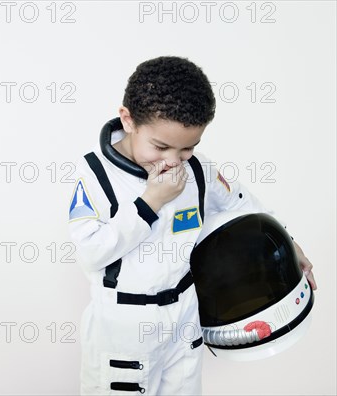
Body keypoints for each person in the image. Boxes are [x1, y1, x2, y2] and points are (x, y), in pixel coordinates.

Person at [67, 56, 317, 395]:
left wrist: (290, 243)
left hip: (184, 316)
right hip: (124, 322)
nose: (173, 160)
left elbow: (241, 204)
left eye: (187, 148)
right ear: (128, 120)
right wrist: (150, 202)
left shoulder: (197, 171)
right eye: (160, 146)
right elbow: (91, 252)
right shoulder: (95, 176)